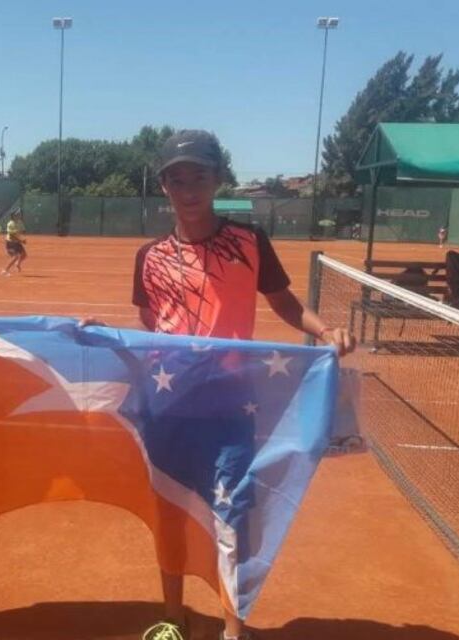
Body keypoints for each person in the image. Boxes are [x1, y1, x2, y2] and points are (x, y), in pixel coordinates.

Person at [132, 130, 355, 640]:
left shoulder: (249, 241)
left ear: (218, 180)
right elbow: (149, 319)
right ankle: (173, 615)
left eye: (199, 177)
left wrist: (325, 330)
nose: (188, 189)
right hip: (168, 407)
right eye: (177, 179)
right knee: (170, 513)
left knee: (232, 516)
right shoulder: (150, 256)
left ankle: (234, 626)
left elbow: (283, 301)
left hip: (231, 405)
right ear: (164, 186)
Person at [0, 210, 27, 275]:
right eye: (17, 214)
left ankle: (17, 264)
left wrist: (21, 236)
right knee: (15, 257)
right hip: (11, 243)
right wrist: (21, 240)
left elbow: (22, 230)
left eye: (19, 214)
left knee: (24, 255)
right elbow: (12, 235)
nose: (19, 215)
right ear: (13, 216)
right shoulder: (10, 224)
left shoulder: (19, 222)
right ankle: (4, 270)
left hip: (17, 242)